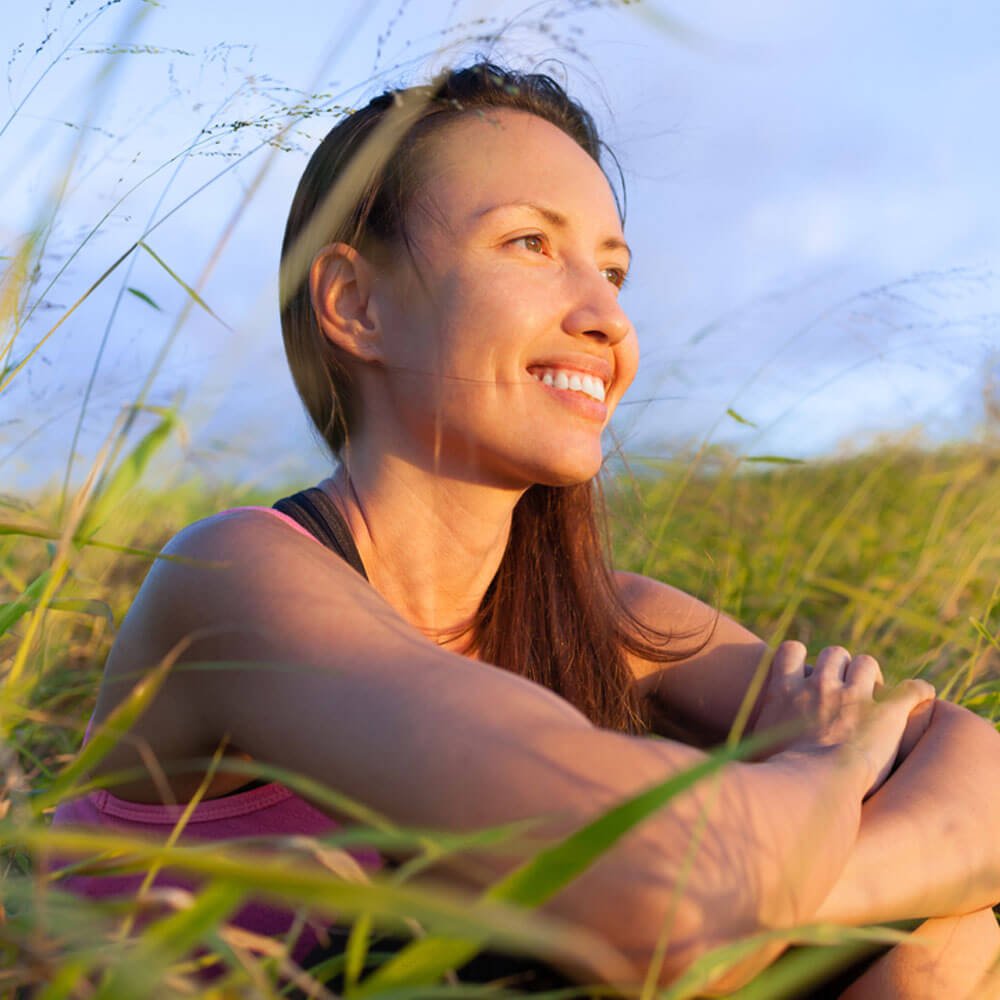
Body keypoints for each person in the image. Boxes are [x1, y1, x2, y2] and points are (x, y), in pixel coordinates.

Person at [52, 63, 1000, 997]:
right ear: (356, 303)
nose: (607, 318)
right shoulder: (236, 578)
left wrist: (770, 893)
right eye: (529, 244)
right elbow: (670, 900)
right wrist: (829, 767)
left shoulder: (607, 616)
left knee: (949, 946)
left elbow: (973, 772)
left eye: (614, 269)